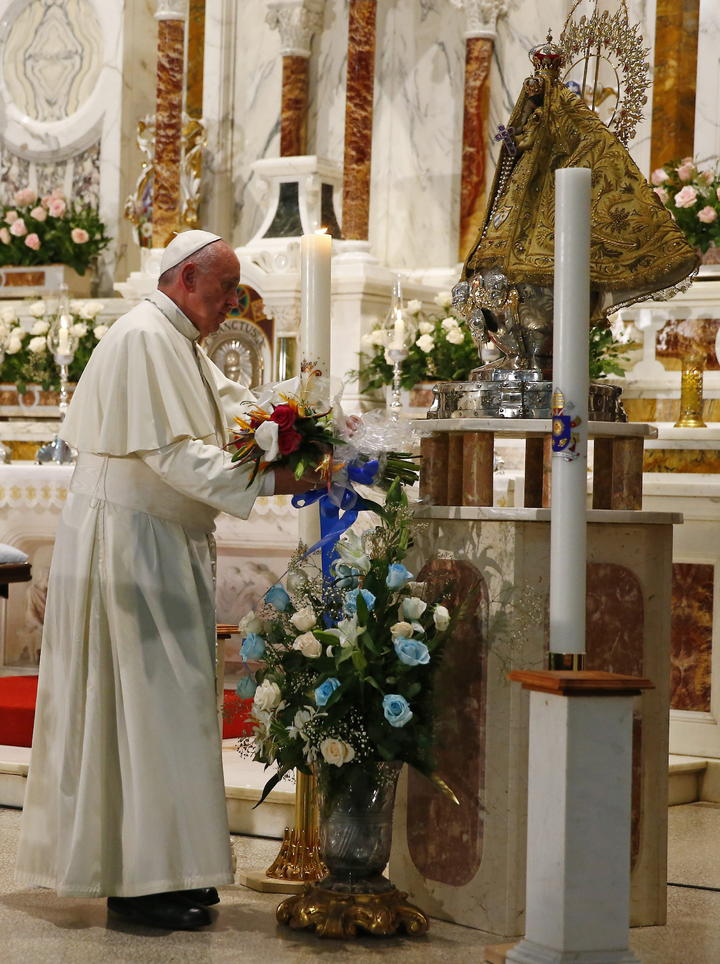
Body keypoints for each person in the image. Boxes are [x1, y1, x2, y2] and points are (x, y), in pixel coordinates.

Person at [15, 231, 322, 930]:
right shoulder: (146, 339)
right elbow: (181, 459)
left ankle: (173, 866)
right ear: (186, 278)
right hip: (131, 550)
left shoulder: (175, 338)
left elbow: (236, 405)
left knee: (170, 707)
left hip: (157, 542)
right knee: (145, 708)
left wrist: (307, 420)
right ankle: (138, 883)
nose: (231, 305)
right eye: (222, 291)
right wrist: (281, 476)